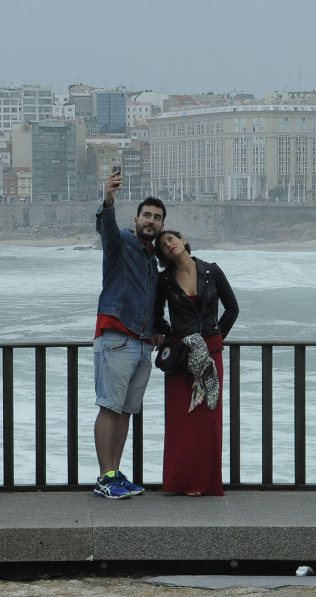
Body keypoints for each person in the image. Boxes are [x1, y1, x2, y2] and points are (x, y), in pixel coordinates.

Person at [93, 170, 166, 499]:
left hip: (142, 344)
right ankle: (104, 477)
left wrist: (156, 332)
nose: (151, 221)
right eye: (147, 215)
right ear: (136, 219)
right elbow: (106, 230)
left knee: (125, 411)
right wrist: (108, 200)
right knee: (109, 407)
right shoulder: (122, 242)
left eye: (157, 218)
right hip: (116, 339)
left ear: (161, 226)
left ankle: (115, 474)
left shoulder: (153, 260)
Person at [154, 230, 238, 496]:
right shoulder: (164, 279)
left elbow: (232, 308)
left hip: (211, 354)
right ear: (163, 255)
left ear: (183, 240)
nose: (169, 244)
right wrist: (173, 339)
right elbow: (156, 315)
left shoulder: (212, 271)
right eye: (163, 245)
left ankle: (206, 482)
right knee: (183, 421)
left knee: (208, 421)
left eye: (171, 239)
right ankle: (181, 482)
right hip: (182, 357)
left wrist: (214, 339)